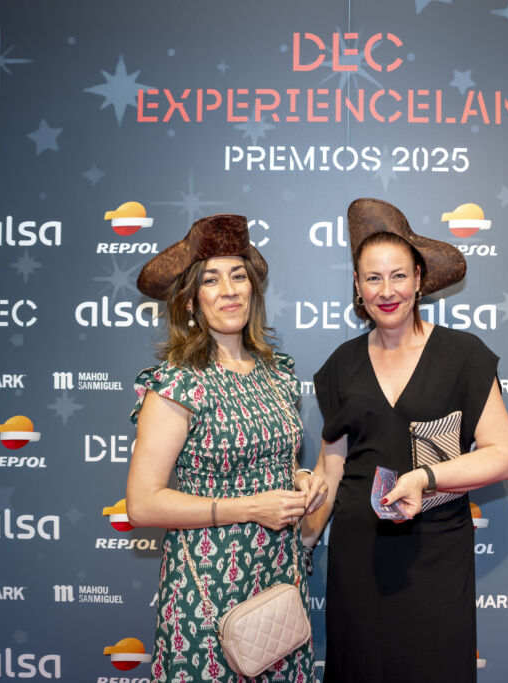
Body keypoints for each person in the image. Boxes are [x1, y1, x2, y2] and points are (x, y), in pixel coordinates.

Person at [304, 198, 508, 682]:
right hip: (358, 563)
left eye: (398, 275)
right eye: (373, 278)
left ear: (419, 279)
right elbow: (331, 469)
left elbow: (503, 456)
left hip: (435, 561)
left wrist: (426, 477)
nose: (387, 291)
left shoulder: (464, 355)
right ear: (357, 285)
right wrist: (302, 542)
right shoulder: (341, 365)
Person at [125, 214, 327, 683]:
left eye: (239, 276)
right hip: (207, 592)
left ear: (253, 289)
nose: (230, 290)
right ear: (190, 300)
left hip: (280, 584)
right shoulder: (176, 384)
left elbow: (275, 461)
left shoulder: (276, 372)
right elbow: (142, 504)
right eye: (211, 280)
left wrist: (300, 480)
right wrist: (250, 507)